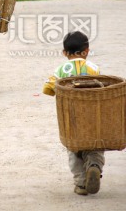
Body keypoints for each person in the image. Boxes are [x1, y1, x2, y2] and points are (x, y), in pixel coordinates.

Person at [42, 31, 105, 196]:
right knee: (95, 144)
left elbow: (48, 88)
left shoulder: (60, 70)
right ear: (86, 51)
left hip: (71, 117)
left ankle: (81, 184)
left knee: (74, 147)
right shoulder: (93, 68)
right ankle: (94, 166)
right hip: (92, 115)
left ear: (64, 52)